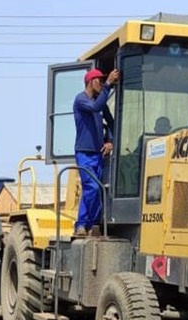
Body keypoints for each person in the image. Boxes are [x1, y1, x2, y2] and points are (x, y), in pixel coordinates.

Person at [73, 67, 120, 236]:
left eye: (103, 80)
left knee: (96, 189)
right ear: (91, 82)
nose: (101, 83)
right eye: (99, 80)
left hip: (98, 153)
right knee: (91, 187)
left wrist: (111, 142)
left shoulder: (101, 105)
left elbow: (112, 123)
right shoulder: (81, 100)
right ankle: (82, 223)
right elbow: (95, 107)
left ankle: (89, 224)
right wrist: (108, 85)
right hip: (84, 153)